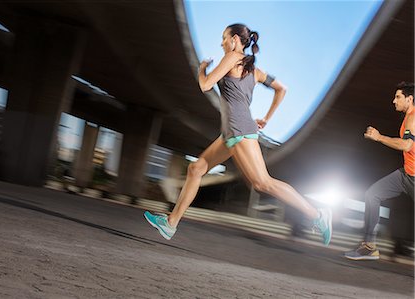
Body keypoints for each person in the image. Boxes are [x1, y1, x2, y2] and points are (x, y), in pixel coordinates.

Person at [144, 23, 332, 245]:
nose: (221, 43)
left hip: (239, 130)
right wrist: (267, 118)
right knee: (196, 169)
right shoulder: (255, 71)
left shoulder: (233, 57)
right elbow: (282, 88)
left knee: (263, 183)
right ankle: (171, 223)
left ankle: (318, 215)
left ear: (234, 39)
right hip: (231, 131)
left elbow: (205, 85)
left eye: (223, 38)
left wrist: (202, 68)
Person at [345, 82, 414, 260]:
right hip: (406, 175)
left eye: (398, 97)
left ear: (410, 99)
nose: (394, 101)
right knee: (372, 194)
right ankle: (369, 246)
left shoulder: (413, 117)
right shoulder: (408, 118)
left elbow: (406, 145)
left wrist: (379, 137)